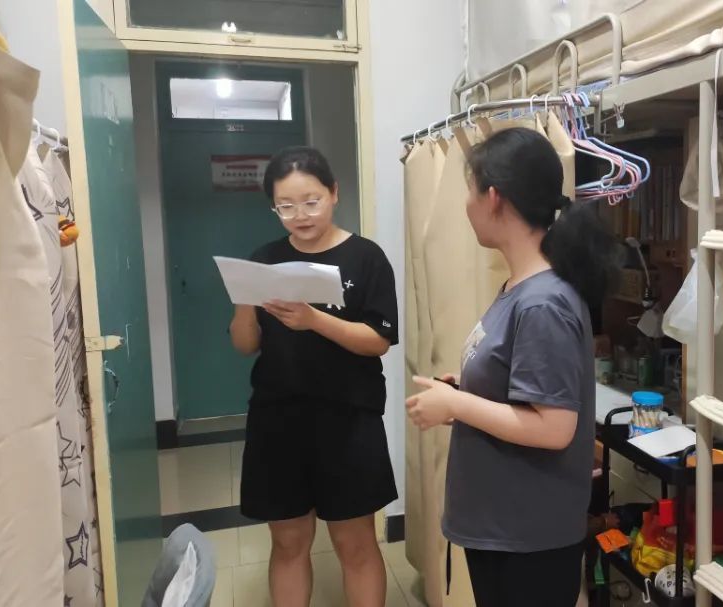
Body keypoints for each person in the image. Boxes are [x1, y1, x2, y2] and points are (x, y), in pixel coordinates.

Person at [406, 127, 621, 607]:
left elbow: (554, 428)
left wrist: (457, 404)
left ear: (494, 197)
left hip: (528, 540)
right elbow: (520, 390)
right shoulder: (520, 288)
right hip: (505, 529)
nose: (466, 205)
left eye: (470, 191)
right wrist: (463, 391)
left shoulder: (543, 303)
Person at [229, 147, 399, 607]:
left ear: (334, 193)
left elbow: (378, 341)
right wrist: (244, 303)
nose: (300, 215)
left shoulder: (365, 257)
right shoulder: (265, 259)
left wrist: (313, 319)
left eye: (311, 201)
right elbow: (245, 344)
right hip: (277, 420)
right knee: (287, 542)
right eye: (286, 206)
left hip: (349, 420)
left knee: (355, 543)